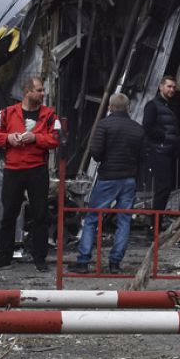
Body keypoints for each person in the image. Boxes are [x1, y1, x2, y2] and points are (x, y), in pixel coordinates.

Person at [0, 76, 60, 272]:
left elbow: (56, 138)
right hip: (13, 170)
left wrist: (35, 137)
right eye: (39, 90)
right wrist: (8, 138)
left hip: (37, 170)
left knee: (40, 215)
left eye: (43, 90)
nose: (43, 94)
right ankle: (4, 257)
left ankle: (40, 258)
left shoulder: (50, 115)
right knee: (9, 214)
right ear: (27, 92)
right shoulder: (7, 113)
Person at [73, 92, 145, 274]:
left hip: (108, 178)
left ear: (110, 107)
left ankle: (83, 261)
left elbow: (96, 153)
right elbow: (143, 155)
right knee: (124, 220)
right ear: (128, 107)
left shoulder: (104, 125)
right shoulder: (137, 128)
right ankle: (115, 263)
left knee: (91, 219)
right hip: (129, 179)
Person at [142, 75, 180, 224]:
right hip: (159, 151)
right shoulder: (153, 105)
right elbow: (147, 126)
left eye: (173, 87)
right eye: (169, 86)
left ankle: (156, 221)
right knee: (163, 187)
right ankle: (155, 223)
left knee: (165, 187)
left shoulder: (169, 106)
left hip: (167, 151)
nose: (172, 90)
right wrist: (164, 137)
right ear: (161, 87)